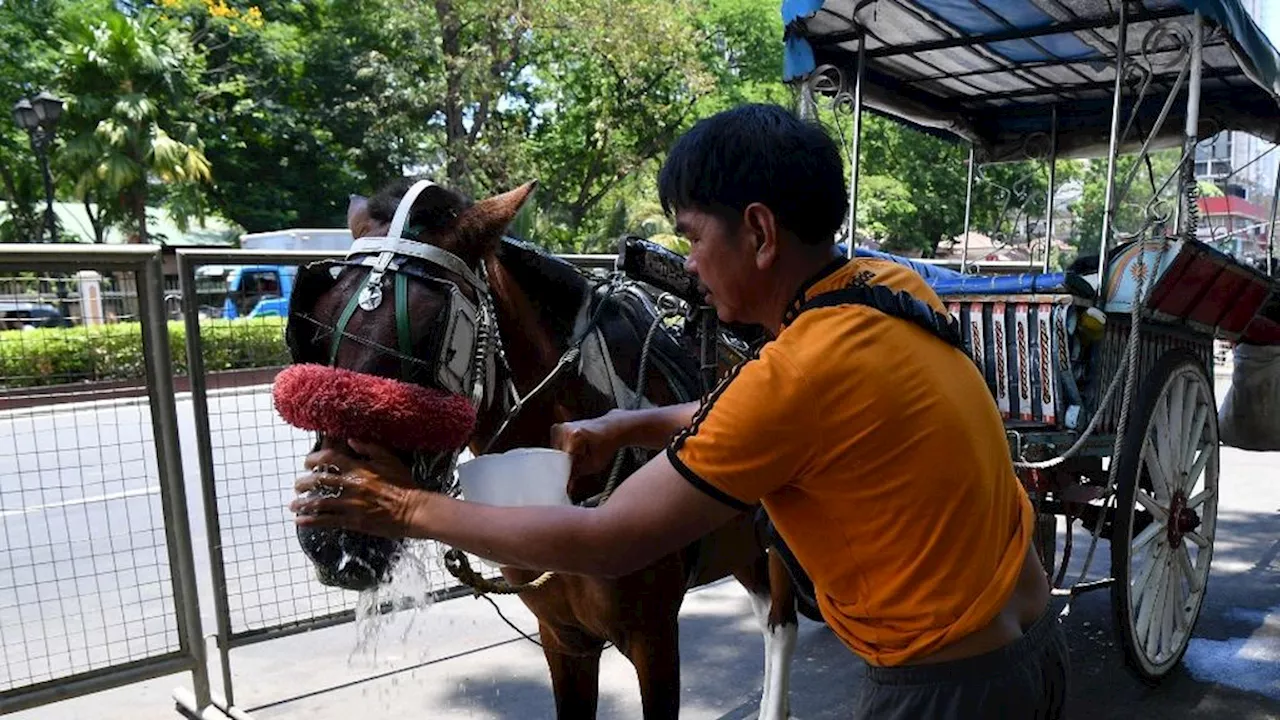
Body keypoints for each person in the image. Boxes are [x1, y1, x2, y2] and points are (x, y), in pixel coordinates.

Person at [290, 103, 1070, 718]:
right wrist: (630, 424)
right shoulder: (886, 293)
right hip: (1033, 644)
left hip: (945, 690)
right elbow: (782, 408)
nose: (690, 263)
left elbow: (606, 539)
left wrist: (397, 503)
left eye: (694, 238)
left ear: (759, 232)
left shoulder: (795, 375)